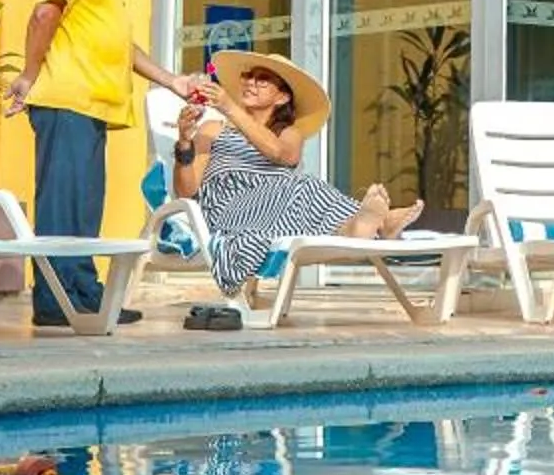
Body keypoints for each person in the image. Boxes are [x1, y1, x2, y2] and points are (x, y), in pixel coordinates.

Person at [2, 0, 206, 329]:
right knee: (63, 203)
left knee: (83, 205)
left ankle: (82, 292)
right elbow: (44, 12)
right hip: (67, 99)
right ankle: (56, 300)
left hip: (90, 105)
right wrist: (30, 76)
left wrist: (170, 80)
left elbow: (119, 44)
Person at [169, 49, 428, 293]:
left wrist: (231, 107)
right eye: (249, 76)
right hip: (229, 208)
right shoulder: (214, 128)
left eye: (263, 80)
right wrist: (183, 142)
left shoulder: (290, 134)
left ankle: (371, 225)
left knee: (304, 186)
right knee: (302, 186)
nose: (251, 82)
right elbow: (187, 191)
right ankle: (371, 225)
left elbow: (282, 155)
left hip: (279, 210)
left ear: (282, 97)